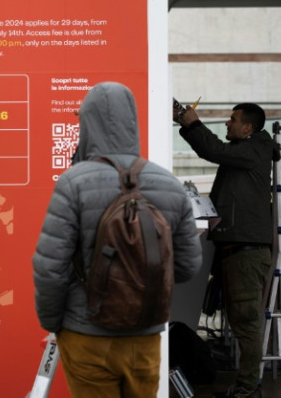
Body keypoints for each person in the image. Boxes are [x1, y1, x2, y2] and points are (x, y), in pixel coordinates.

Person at [33, 82, 202, 398]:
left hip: (85, 332)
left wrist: (55, 321)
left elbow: (50, 267)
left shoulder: (74, 183)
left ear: (87, 124)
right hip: (145, 334)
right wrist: (141, 284)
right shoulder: (167, 183)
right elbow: (188, 265)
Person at [174, 101, 279, 398]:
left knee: (246, 322)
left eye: (232, 119)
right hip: (236, 248)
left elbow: (214, 150)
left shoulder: (255, 148)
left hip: (246, 251)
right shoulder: (247, 151)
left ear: (248, 127)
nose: (227, 124)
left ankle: (247, 389)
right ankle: (246, 386)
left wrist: (192, 123)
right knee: (241, 320)